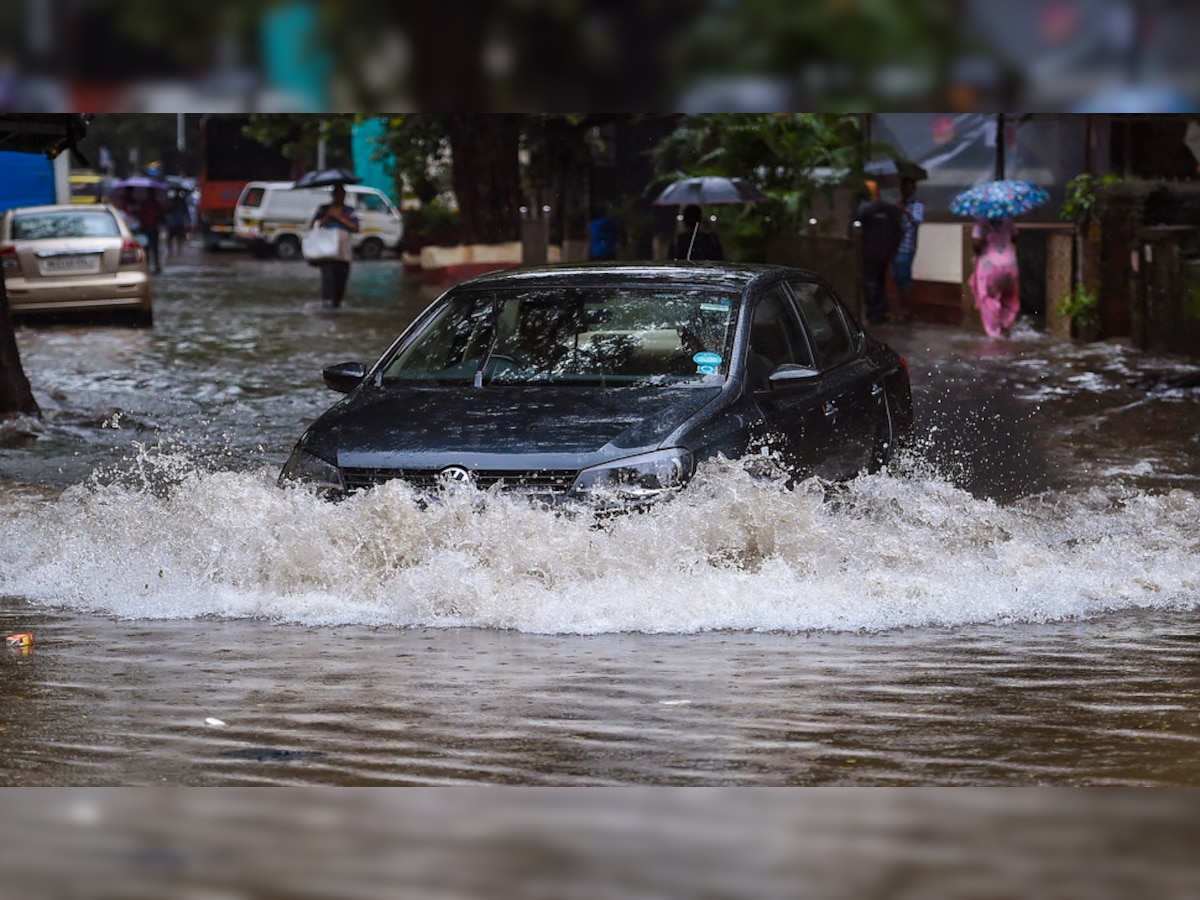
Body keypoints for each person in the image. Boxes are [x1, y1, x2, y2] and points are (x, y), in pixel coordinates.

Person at [855, 181, 903, 325]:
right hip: (885, 253)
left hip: (868, 253)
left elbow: (855, 229)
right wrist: (893, 247)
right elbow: (899, 230)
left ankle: (873, 313)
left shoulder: (864, 209)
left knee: (870, 282)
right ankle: (881, 311)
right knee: (880, 281)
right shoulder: (890, 209)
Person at [970, 215, 1020, 338]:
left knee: (988, 299)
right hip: (1010, 264)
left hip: (990, 267)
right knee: (1009, 296)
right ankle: (1006, 326)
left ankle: (995, 334)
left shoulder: (981, 223)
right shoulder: (1008, 221)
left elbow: (976, 243)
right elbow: (1015, 238)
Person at [311, 184, 360, 309]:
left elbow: (356, 228)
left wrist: (340, 219)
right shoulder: (323, 209)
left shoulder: (349, 211)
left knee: (341, 283)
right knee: (328, 283)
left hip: (343, 253)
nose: (340, 197)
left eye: (342, 194)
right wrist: (328, 216)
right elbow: (314, 225)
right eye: (337, 194)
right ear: (333, 195)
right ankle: (328, 308)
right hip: (327, 253)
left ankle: (336, 307)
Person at [890, 176, 924, 323]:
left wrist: (903, 210)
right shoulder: (898, 204)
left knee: (905, 279)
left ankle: (908, 310)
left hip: (907, 247)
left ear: (913, 188)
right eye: (903, 187)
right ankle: (899, 309)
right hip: (895, 247)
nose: (905, 190)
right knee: (896, 279)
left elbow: (917, 220)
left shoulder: (917, 205)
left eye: (908, 187)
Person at [138, 189, 164, 274]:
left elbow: (161, 216)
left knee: (153, 248)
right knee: (148, 248)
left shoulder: (155, 204)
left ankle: (154, 265)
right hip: (147, 228)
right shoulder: (146, 204)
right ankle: (149, 265)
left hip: (152, 228)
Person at [165, 189, 191, 261]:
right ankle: (172, 252)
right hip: (173, 222)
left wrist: (188, 223)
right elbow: (167, 211)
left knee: (178, 238)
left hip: (179, 222)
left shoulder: (182, 202)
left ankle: (178, 252)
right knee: (170, 238)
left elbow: (186, 213)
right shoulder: (171, 201)